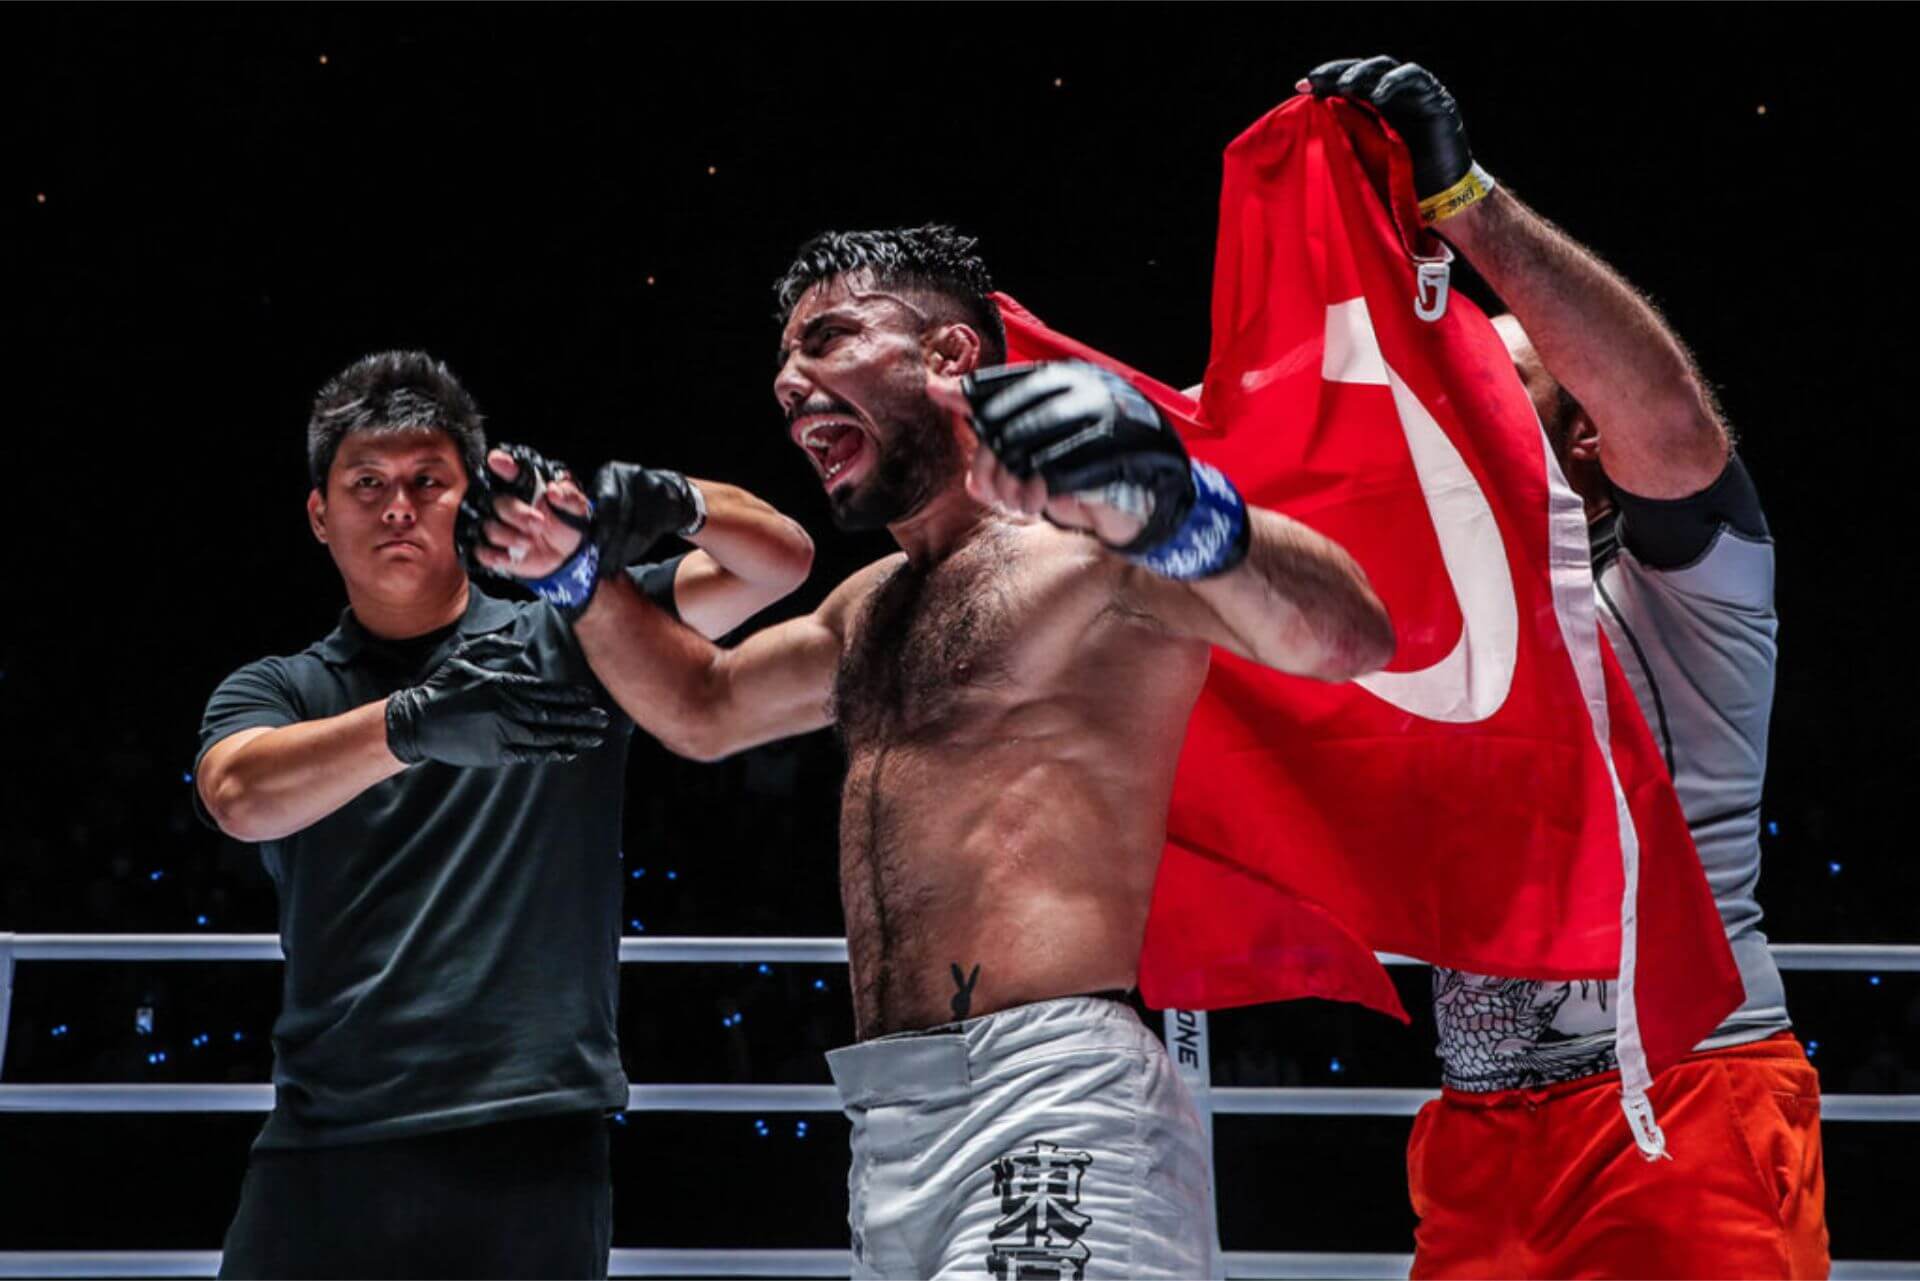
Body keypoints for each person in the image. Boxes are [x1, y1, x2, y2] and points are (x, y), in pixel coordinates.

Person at [479, 224, 1395, 1279]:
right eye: (782, 360)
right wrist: (578, 577)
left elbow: (1351, 635)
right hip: (891, 1128)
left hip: (1056, 1092)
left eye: (828, 338)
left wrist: (1179, 505)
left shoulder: (1091, 555)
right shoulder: (866, 607)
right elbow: (706, 706)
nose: (787, 381)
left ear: (949, 353)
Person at [1299, 57, 1827, 1278]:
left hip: (1684, 1099)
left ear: (1586, 430)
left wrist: (1463, 206)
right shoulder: (1416, 634)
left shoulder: (1686, 590)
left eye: (1497, 373)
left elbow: (1676, 428)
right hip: (1478, 1137)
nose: (1456, 389)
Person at [193, 349, 813, 1279]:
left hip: (534, 1139)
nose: (397, 507)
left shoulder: (575, 631)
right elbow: (238, 796)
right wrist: (411, 724)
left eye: (427, 481)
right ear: (321, 514)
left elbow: (778, 563)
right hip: (327, 1140)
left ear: (471, 500)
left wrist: (670, 499)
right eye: (367, 483)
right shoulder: (279, 688)